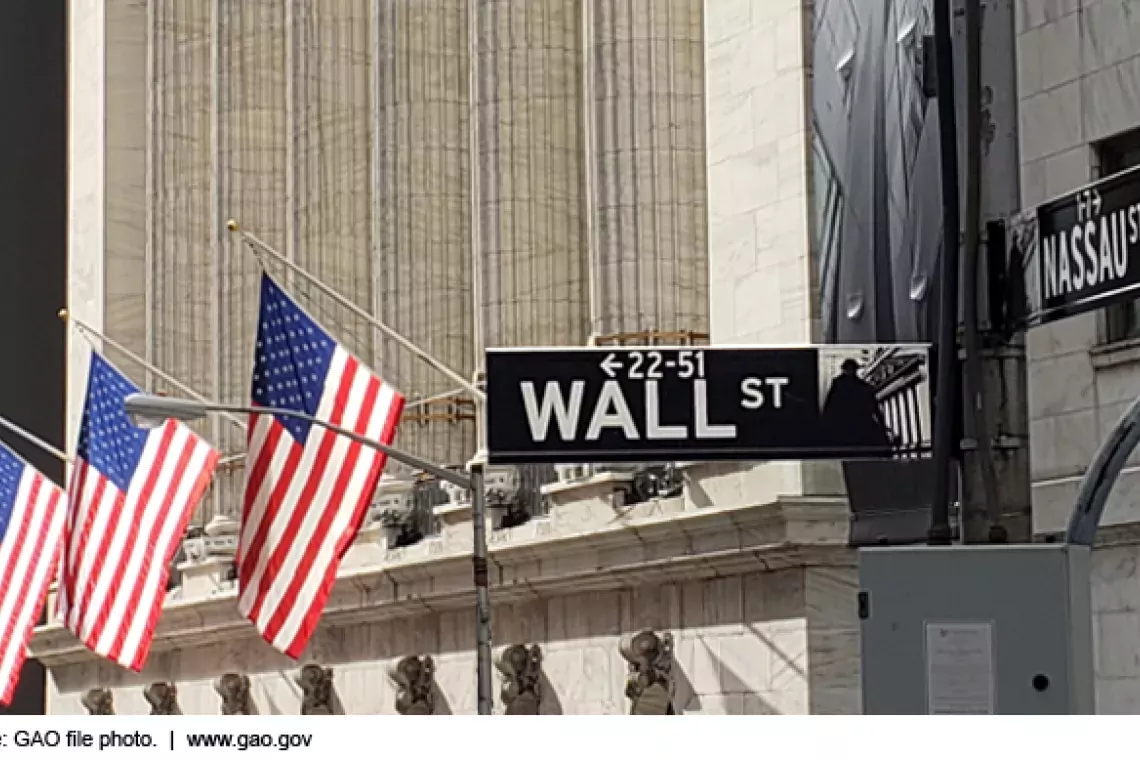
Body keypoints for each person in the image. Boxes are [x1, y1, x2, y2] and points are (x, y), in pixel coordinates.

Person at [821, 358, 893, 456]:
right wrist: (882, 425)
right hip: (861, 425)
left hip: (842, 427)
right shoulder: (862, 386)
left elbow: (829, 408)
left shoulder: (838, 385)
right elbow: (874, 406)